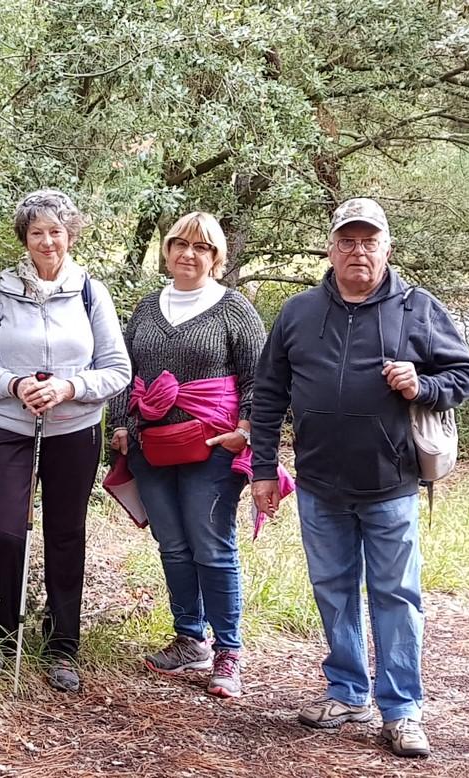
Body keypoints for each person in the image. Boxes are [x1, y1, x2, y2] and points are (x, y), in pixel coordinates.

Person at [250, 198, 469, 758]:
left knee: (396, 596)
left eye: (369, 241)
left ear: (386, 248)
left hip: (391, 483)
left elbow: (466, 374)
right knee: (332, 589)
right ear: (330, 249)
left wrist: (421, 385)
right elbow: (267, 395)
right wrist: (261, 470)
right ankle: (348, 691)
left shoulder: (416, 308)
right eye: (347, 241)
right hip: (319, 483)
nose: (358, 251)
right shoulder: (297, 312)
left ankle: (402, 710)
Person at [0, 190, 131, 692]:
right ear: (25, 238)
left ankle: (63, 644)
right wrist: (14, 385)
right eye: (37, 232)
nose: (47, 241)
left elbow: (117, 370)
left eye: (56, 231)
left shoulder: (90, 293)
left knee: (64, 534)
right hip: (8, 427)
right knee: (7, 531)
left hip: (74, 428)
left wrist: (69, 386)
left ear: (70, 235)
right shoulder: (0, 292)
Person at [106, 212, 267, 698]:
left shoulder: (233, 309)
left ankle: (229, 650)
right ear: (168, 250)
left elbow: (261, 378)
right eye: (180, 244)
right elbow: (124, 369)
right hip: (150, 444)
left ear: (216, 257)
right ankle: (189, 638)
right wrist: (119, 423)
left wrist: (246, 428)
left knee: (211, 544)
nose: (189, 254)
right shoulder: (147, 307)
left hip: (212, 446)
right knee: (173, 545)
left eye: (201, 247)